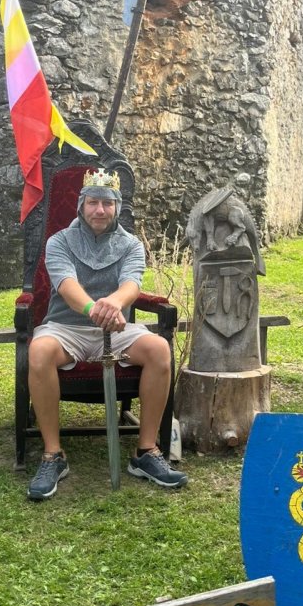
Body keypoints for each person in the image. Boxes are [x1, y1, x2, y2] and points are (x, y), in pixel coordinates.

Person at [26, 167, 188, 501]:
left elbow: (132, 284)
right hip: (67, 328)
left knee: (159, 349)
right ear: (81, 205)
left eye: (107, 203)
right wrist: (92, 310)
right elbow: (66, 284)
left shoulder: (131, 245)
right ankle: (53, 454)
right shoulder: (59, 242)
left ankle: (145, 452)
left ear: (117, 207)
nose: (100, 210)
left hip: (117, 329)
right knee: (39, 351)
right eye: (93, 202)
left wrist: (113, 304)